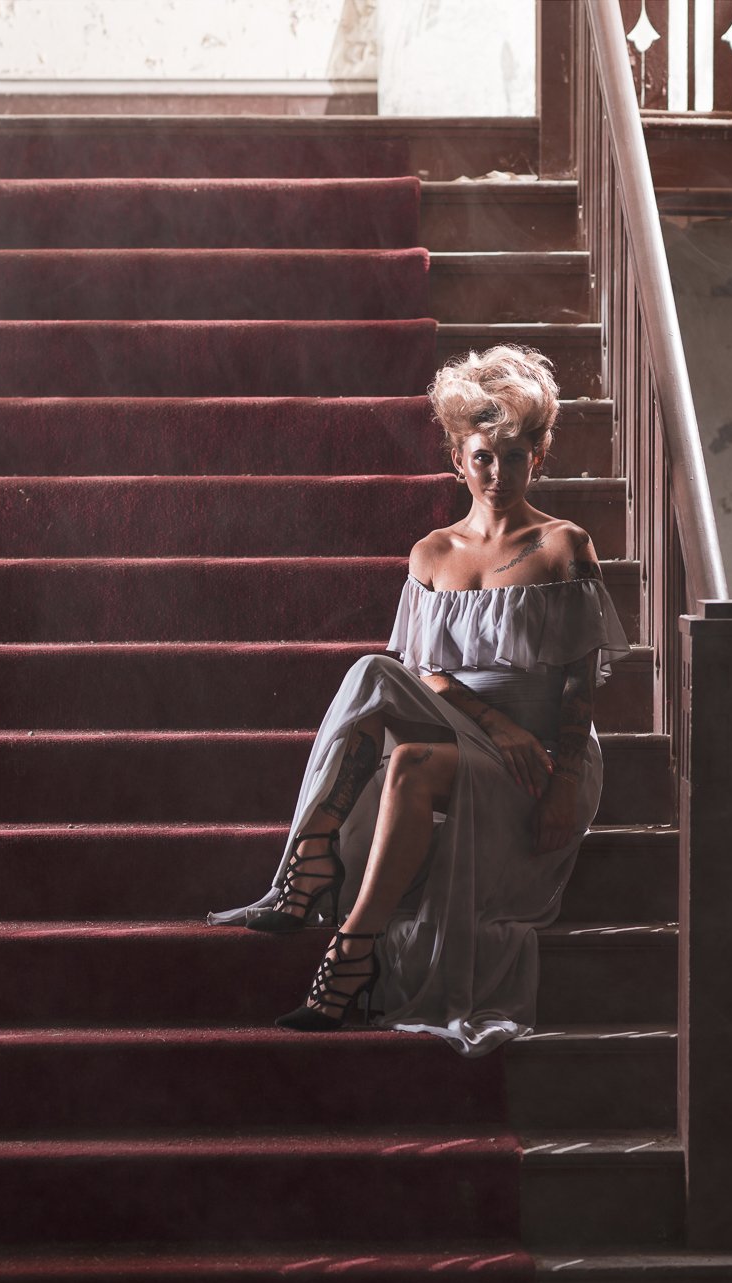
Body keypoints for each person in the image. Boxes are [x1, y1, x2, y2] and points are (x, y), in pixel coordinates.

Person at [207, 345, 634, 1055]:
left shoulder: (564, 545)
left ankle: (308, 876)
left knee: (383, 696)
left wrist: (560, 781)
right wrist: (495, 724)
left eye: (515, 457)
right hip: (480, 734)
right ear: (458, 458)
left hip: (544, 762)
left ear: (541, 454)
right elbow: (427, 676)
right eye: (482, 457)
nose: (497, 474)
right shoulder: (431, 553)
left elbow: (578, 685)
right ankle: (350, 947)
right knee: (388, 699)